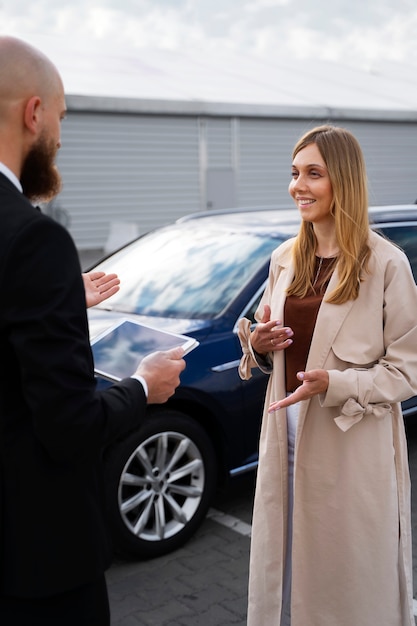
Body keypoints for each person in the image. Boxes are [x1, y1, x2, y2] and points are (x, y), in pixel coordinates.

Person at [0, 36, 186, 625]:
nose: (59, 134)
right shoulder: (34, 239)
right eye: (59, 117)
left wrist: (58, 300)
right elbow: (70, 428)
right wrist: (141, 387)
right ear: (33, 113)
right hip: (34, 563)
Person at [238, 124, 417, 626]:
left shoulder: (386, 263)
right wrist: (258, 341)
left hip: (351, 442)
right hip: (285, 434)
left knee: (348, 577)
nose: (299, 185)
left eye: (313, 174)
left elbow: (408, 368)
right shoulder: (284, 259)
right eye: (294, 173)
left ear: (344, 181)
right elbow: (265, 334)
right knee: (287, 570)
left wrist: (336, 384)